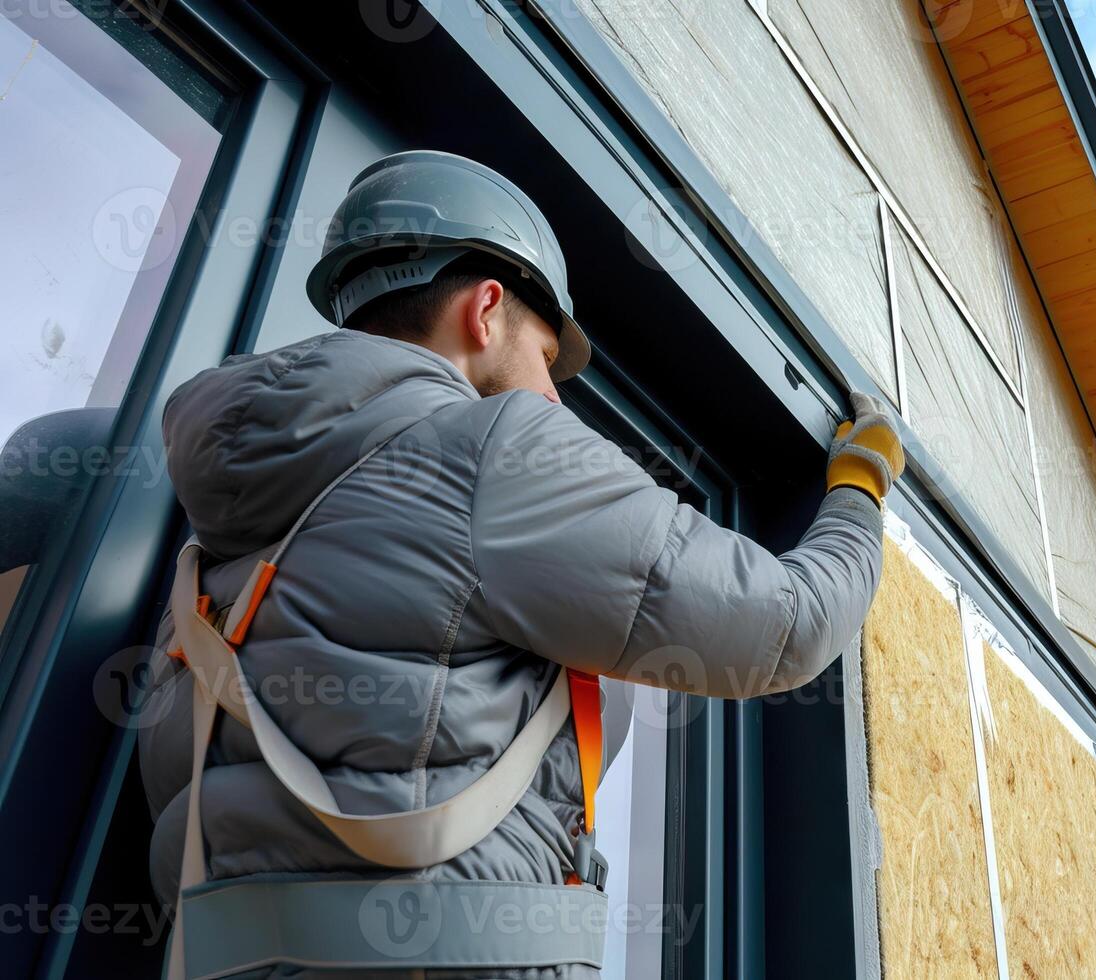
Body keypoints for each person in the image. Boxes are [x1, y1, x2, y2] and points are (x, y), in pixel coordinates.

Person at [140, 150, 904, 978]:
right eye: (545, 358)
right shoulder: (496, 449)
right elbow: (783, 624)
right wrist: (860, 484)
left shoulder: (218, 537)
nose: (552, 397)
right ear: (486, 309)